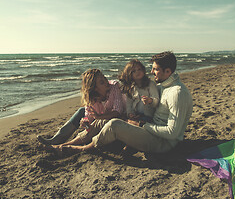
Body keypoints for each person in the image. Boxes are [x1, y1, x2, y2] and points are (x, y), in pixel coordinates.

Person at [64, 51, 193, 154]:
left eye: (155, 69)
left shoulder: (177, 93)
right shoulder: (163, 87)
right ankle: (66, 144)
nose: (151, 72)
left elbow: (172, 133)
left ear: (168, 72)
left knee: (115, 124)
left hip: (162, 143)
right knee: (103, 122)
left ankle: (83, 149)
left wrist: (142, 124)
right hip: (152, 130)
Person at [37, 68, 125, 146]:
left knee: (91, 116)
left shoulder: (114, 87)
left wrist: (99, 117)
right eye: (102, 82)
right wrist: (85, 123)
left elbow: (118, 111)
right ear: (95, 88)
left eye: (105, 78)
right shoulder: (91, 98)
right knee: (81, 111)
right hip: (100, 121)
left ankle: (67, 143)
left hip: (116, 121)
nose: (106, 82)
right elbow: (89, 117)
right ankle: (56, 139)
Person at [119, 59, 159, 124]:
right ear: (129, 74)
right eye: (134, 71)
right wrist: (130, 113)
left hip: (148, 116)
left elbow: (156, 100)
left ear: (143, 70)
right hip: (136, 115)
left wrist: (150, 100)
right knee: (123, 121)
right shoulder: (131, 87)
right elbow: (129, 104)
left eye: (139, 69)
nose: (137, 72)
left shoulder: (150, 84)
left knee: (136, 123)